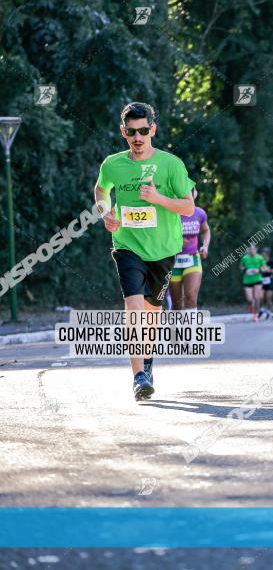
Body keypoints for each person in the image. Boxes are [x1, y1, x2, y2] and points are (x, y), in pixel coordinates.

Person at [95, 102, 195, 401]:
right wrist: (105, 212)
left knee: (151, 314)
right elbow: (101, 190)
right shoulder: (112, 164)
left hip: (163, 250)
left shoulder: (171, 164)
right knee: (134, 307)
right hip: (127, 246)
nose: (137, 137)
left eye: (142, 131)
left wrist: (157, 197)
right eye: (130, 132)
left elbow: (188, 206)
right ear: (123, 132)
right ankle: (139, 377)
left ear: (152, 129)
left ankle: (147, 362)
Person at [170, 188, 210, 311]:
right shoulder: (171, 214)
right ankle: (175, 329)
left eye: (190, 193)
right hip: (173, 261)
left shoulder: (199, 213)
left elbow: (206, 230)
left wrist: (205, 246)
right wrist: (176, 242)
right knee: (176, 303)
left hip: (193, 258)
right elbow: (160, 236)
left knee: (190, 296)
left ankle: (190, 329)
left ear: (194, 195)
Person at [240, 244, 266, 321]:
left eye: (253, 249)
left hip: (257, 280)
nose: (252, 251)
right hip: (247, 280)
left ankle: (255, 315)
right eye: (250, 249)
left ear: (256, 249)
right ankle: (252, 306)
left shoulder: (260, 257)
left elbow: (264, 267)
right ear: (248, 250)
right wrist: (245, 271)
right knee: (250, 299)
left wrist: (259, 270)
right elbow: (241, 266)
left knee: (257, 298)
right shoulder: (245, 258)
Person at [259, 247, 273, 319]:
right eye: (262, 253)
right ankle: (261, 309)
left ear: (267, 254)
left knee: (268, 298)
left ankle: (269, 311)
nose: (263, 255)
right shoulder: (260, 261)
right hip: (260, 280)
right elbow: (258, 269)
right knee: (260, 297)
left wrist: (269, 270)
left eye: (264, 253)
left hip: (269, 281)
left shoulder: (271, 261)